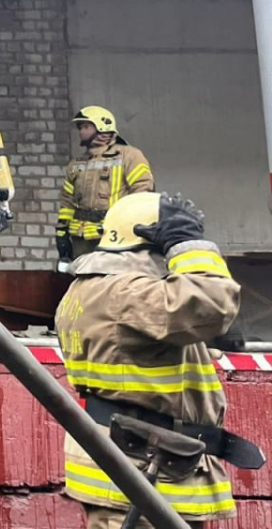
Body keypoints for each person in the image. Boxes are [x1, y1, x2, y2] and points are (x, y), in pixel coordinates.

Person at [55, 191, 243, 528]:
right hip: (141, 478)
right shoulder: (125, 293)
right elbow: (214, 304)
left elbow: (133, 355)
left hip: (141, 472)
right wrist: (189, 245)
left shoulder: (92, 288)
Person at [56, 106, 154, 264]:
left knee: (113, 282)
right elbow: (67, 202)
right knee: (83, 284)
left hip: (115, 237)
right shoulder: (76, 164)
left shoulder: (129, 156)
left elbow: (142, 192)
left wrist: (132, 227)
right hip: (81, 239)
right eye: (80, 127)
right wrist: (62, 232)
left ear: (103, 127)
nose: (81, 131)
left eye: (86, 126)